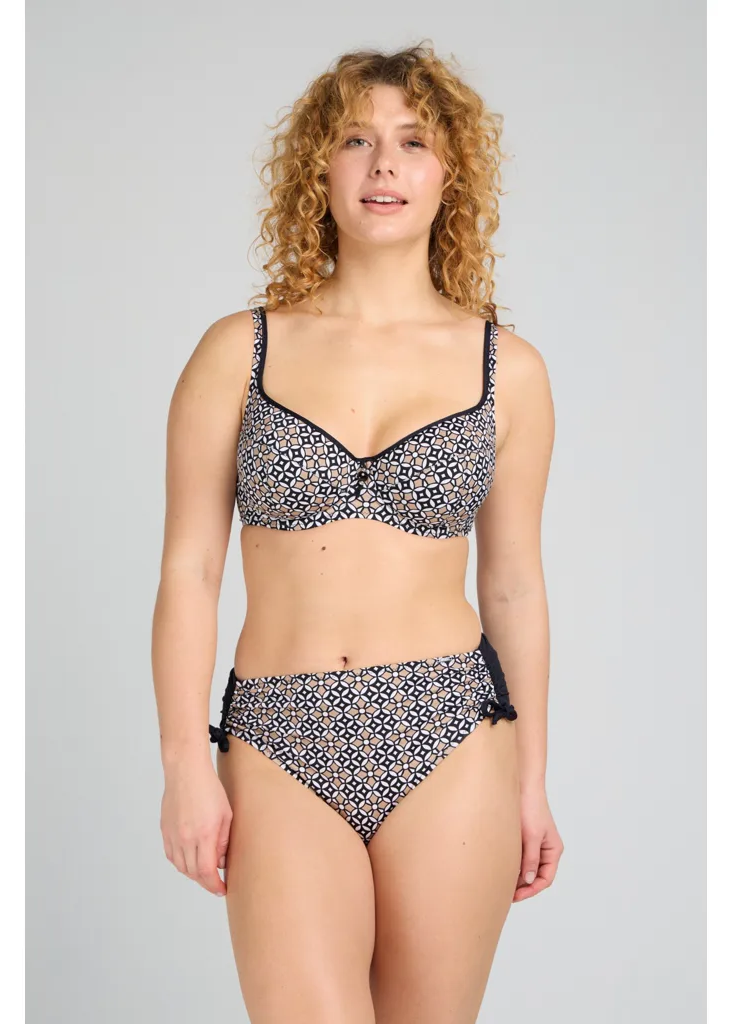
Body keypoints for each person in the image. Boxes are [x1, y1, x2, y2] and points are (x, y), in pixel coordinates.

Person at [151, 42, 561, 1023]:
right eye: (355, 140)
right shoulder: (238, 352)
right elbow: (190, 570)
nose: (384, 164)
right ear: (318, 169)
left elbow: (513, 586)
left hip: (453, 732)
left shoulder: (509, 371)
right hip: (278, 735)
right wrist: (182, 765)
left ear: (450, 174)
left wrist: (532, 782)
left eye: (414, 141)